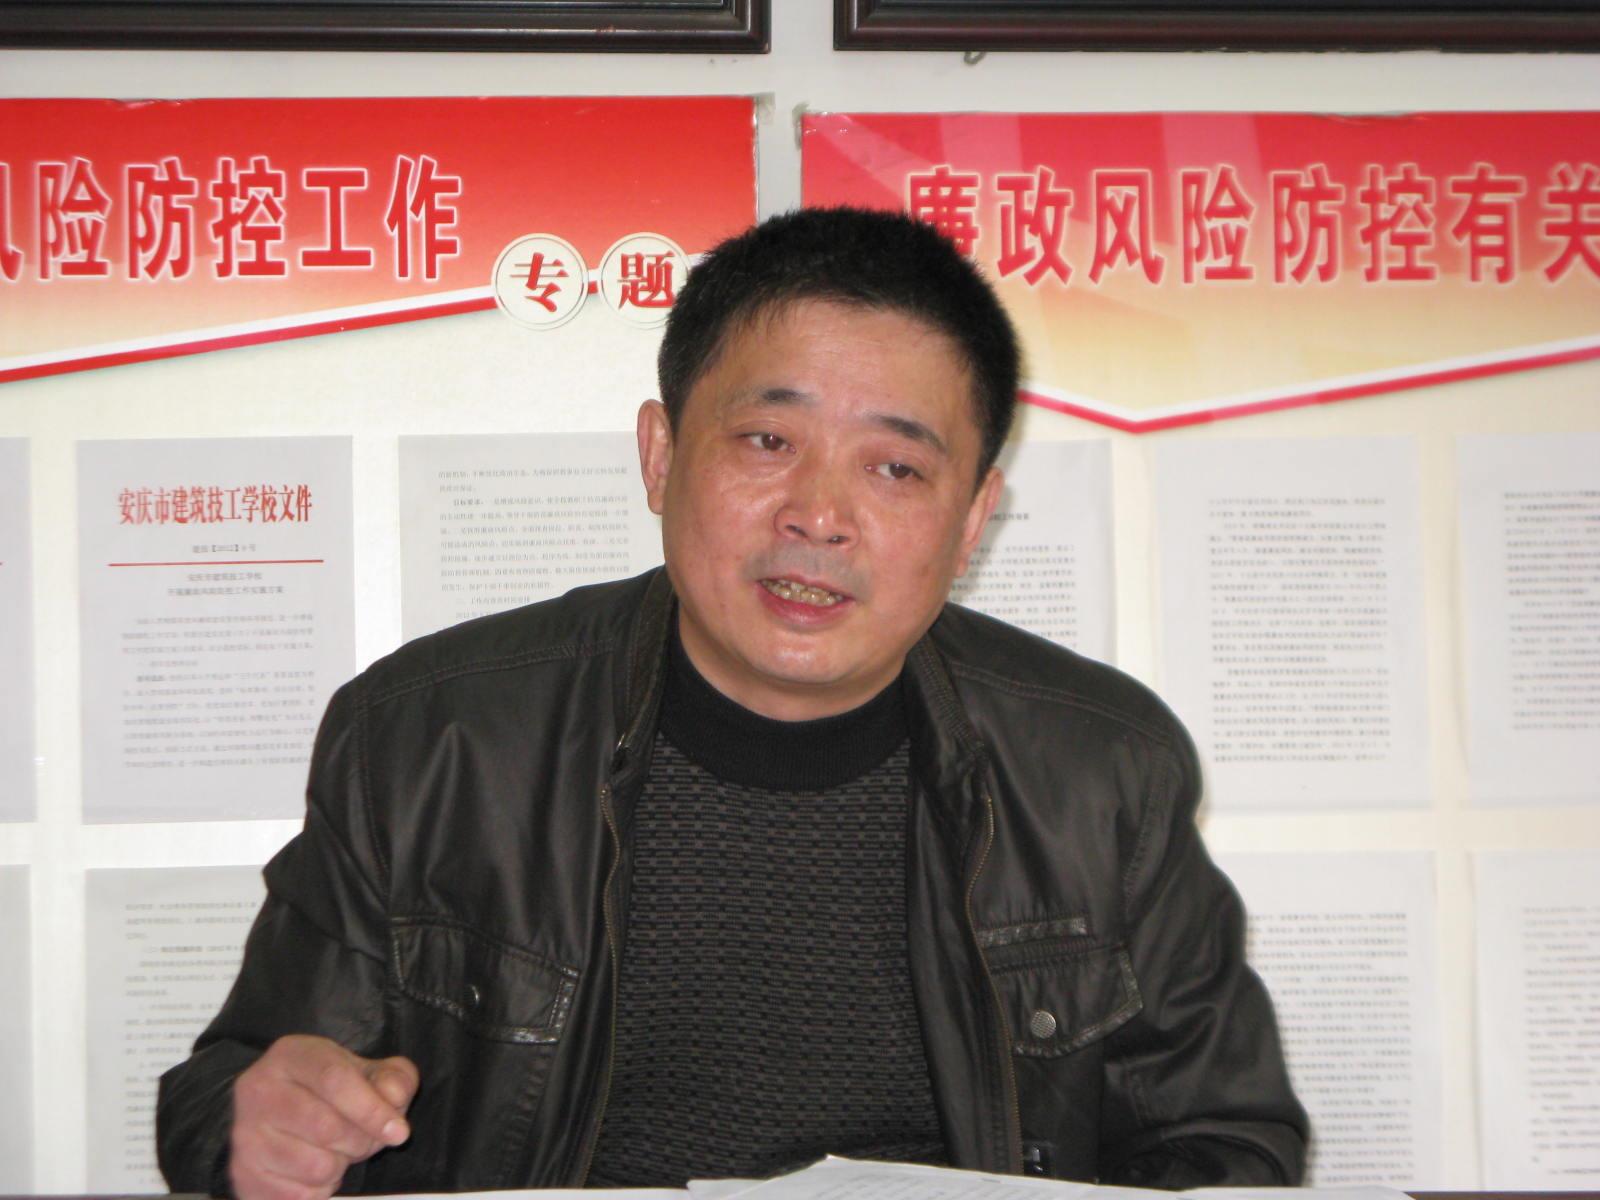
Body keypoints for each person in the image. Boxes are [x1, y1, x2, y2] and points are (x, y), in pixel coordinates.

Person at [157, 207, 1307, 1199]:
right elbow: (225, 1096)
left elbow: (1226, 1145)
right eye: (767, 439)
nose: (819, 514)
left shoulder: (1103, 773)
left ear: (971, 521)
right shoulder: (431, 739)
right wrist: (261, 1127)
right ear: (660, 455)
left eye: (894, 467)